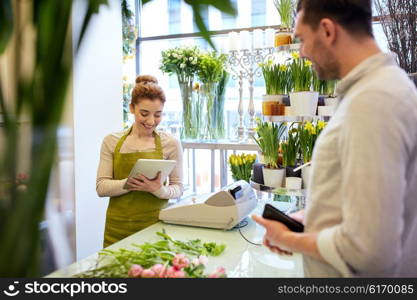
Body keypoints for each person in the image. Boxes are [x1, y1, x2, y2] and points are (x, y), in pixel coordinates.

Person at [253, 0, 417, 277]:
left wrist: (288, 239)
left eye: (303, 39)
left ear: (328, 31)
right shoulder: (378, 90)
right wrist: (309, 219)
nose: (302, 52)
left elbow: (371, 252)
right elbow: (371, 207)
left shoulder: (373, 102)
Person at [96, 75, 183, 247]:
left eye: (158, 115)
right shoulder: (111, 141)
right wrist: (129, 183)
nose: (151, 121)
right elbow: (101, 187)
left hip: (155, 227)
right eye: (144, 113)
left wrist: (158, 190)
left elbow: (178, 188)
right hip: (117, 228)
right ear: (131, 108)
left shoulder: (171, 143)